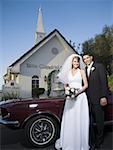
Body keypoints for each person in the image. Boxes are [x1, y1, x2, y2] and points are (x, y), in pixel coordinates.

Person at [55, 54, 89, 150]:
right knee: (70, 119)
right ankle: (68, 141)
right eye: (74, 61)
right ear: (72, 62)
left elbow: (86, 85)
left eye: (77, 61)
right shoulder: (68, 72)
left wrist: (77, 92)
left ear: (79, 63)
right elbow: (66, 85)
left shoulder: (82, 71)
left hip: (80, 98)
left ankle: (79, 143)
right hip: (70, 99)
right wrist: (68, 91)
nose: (76, 63)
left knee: (79, 119)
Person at [82, 53, 108, 149]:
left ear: (91, 58)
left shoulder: (99, 66)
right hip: (87, 101)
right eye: (84, 59)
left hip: (98, 99)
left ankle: (99, 142)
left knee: (99, 121)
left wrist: (104, 96)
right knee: (90, 122)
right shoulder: (84, 70)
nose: (86, 60)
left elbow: (104, 82)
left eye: (87, 58)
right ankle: (92, 142)